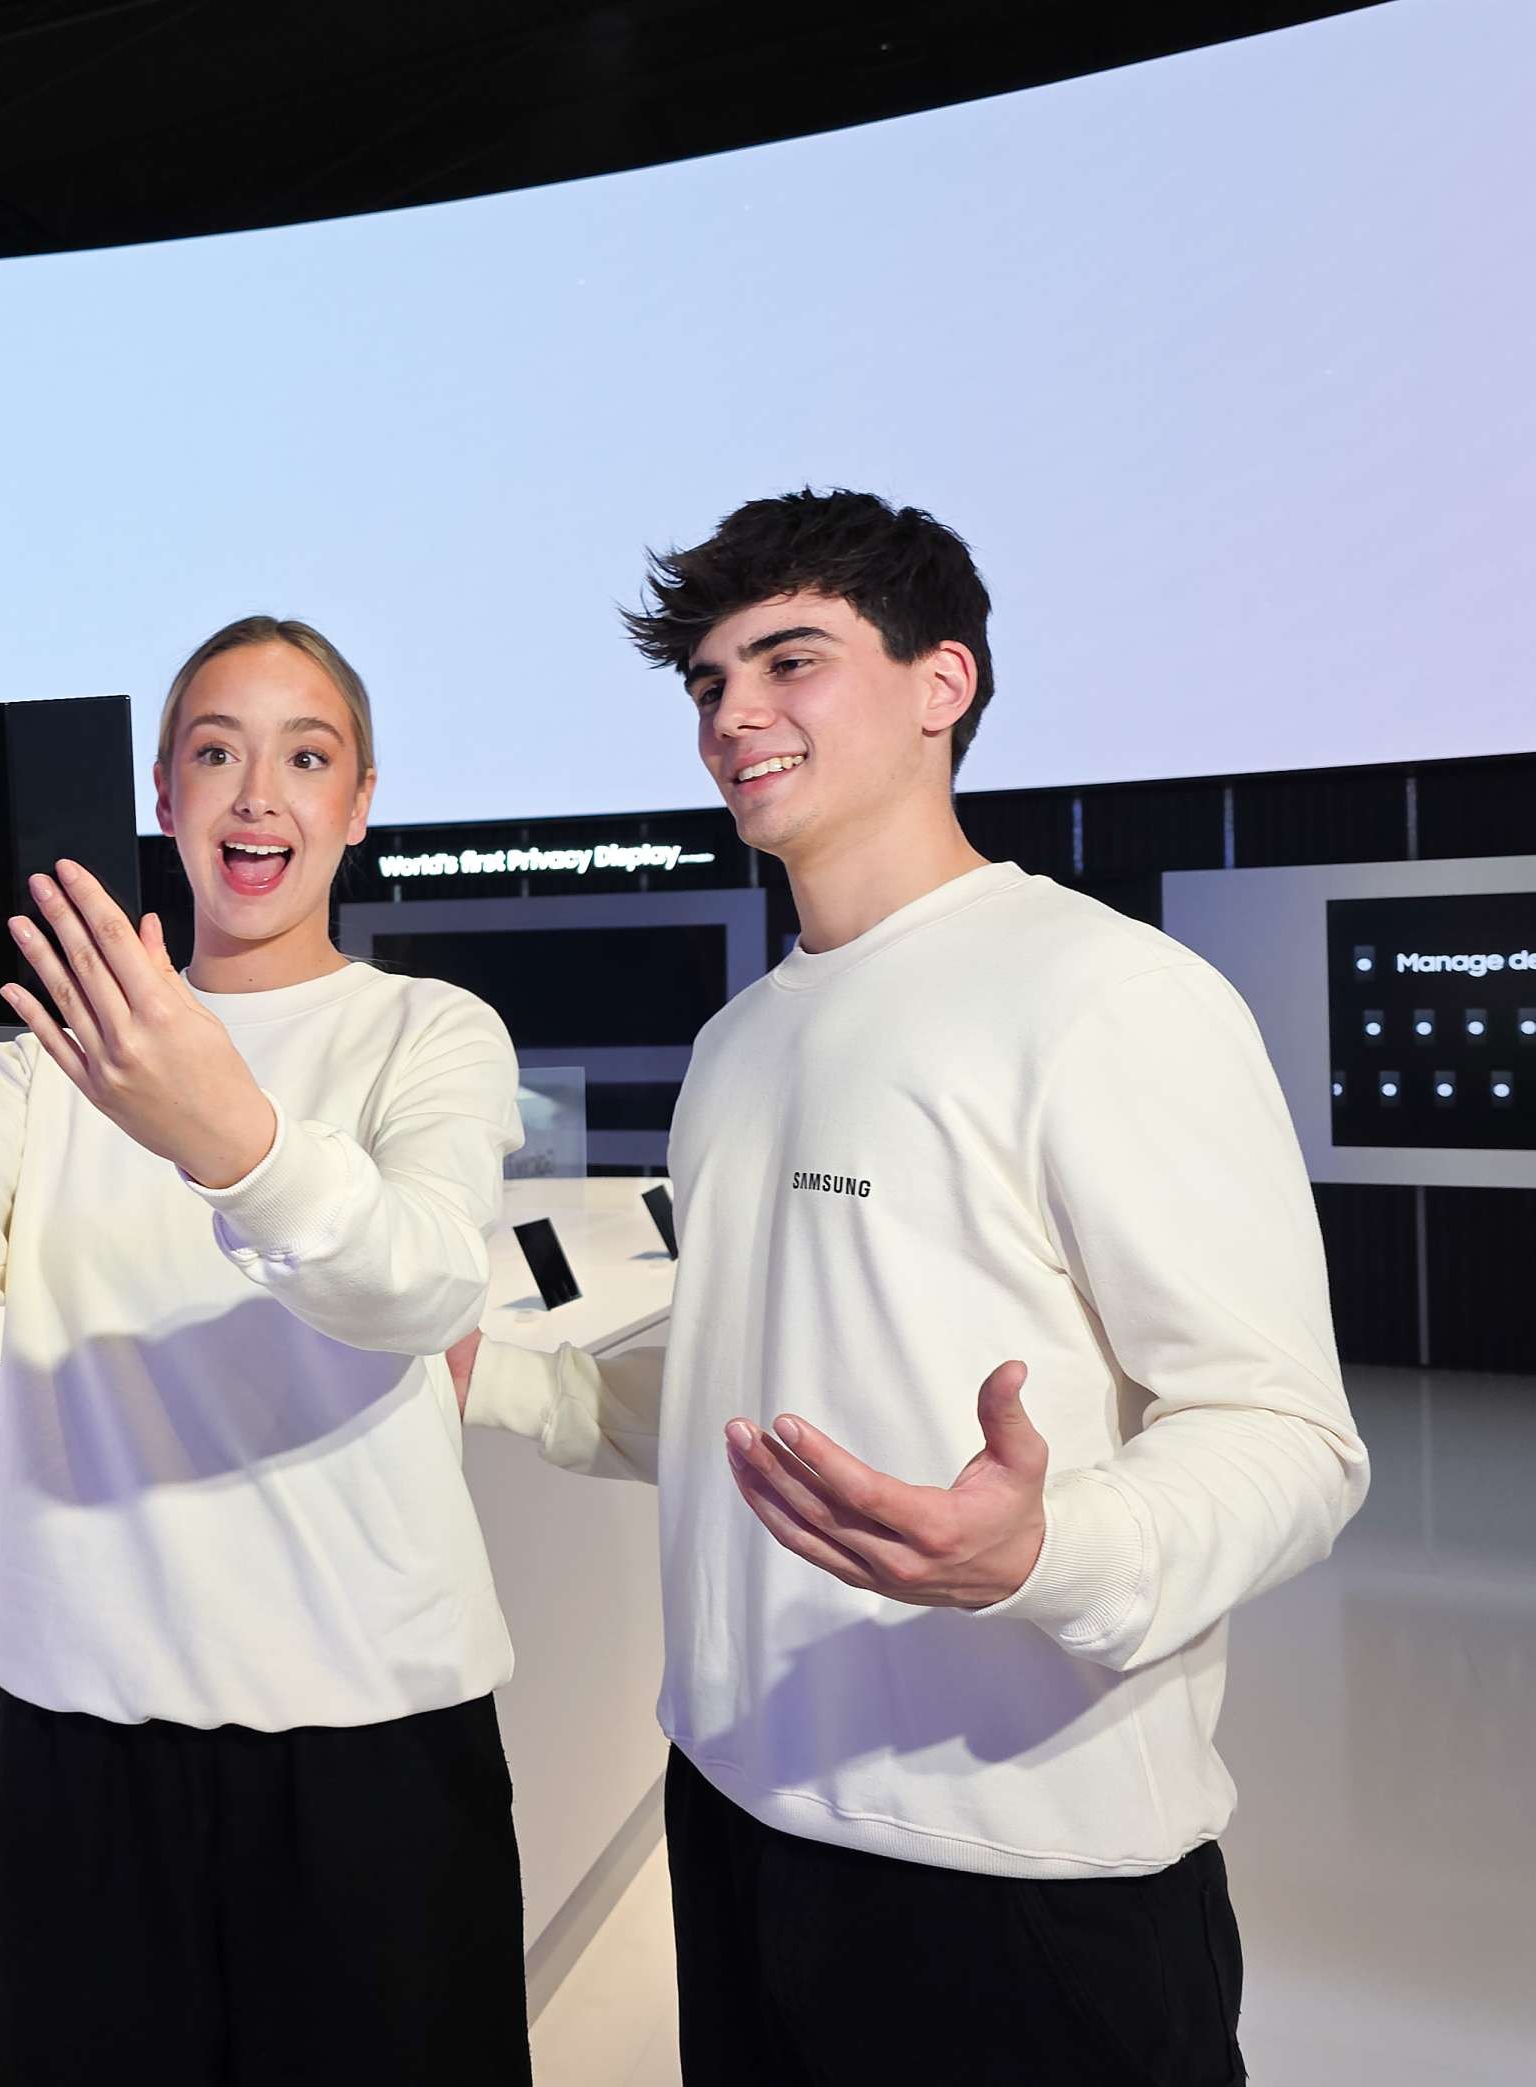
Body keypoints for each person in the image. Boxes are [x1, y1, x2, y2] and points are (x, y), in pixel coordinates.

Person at [457, 490, 1367, 2085]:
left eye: (789, 661)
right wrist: (488, 1369)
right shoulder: (744, 1039)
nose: (733, 715)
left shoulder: (1109, 994)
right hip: (733, 1815)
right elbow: (755, 1385)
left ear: (943, 682)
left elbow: (1288, 1434)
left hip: (1020, 1865)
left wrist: (1049, 1548)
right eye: (709, 682)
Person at [0, 617, 535, 2084]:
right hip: (89, 1723)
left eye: (308, 758)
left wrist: (225, 1134)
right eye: (217, 754)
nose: (259, 797)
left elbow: (423, 1284)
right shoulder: (50, 1062)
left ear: (362, 802)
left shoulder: (429, 1032)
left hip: (370, 1722)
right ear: (161, 794)